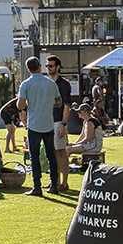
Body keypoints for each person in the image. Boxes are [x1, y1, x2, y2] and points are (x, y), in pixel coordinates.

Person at [18, 56, 60, 196]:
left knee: (34, 157)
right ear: (40, 66)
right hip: (48, 123)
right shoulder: (51, 83)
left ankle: (37, 187)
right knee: (51, 156)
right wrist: (47, 104)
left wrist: (27, 104)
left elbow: (21, 105)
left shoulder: (26, 84)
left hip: (34, 124)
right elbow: (59, 102)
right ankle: (54, 185)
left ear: (28, 69)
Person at [46, 54, 72, 191]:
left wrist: (63, 124)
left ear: (57, 67)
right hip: (48, 122)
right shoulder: (48, 83)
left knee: (61, 152)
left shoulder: (64, 84)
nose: (48, 68)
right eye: (47, 66)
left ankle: (64, 182)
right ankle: (55, 181)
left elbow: (67, 105)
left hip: (58, 121)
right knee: (53, 153)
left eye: (50, 66)